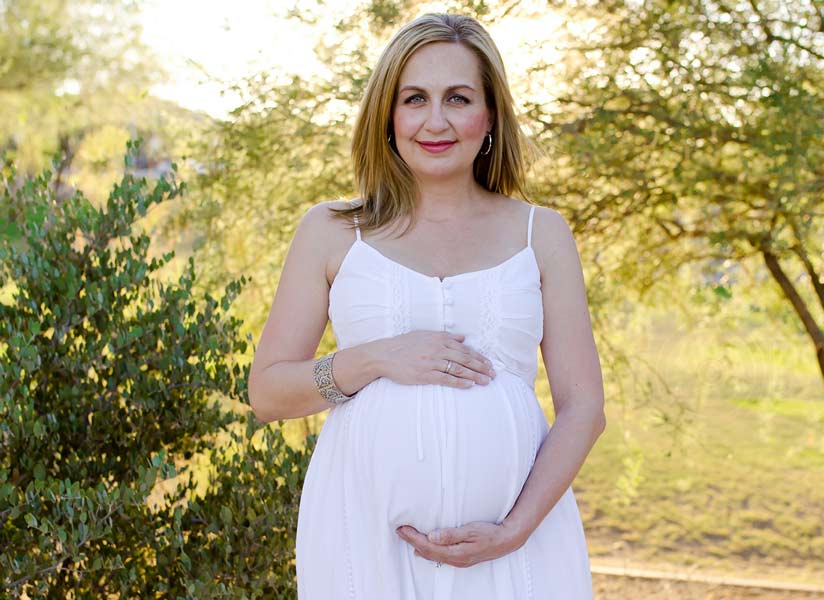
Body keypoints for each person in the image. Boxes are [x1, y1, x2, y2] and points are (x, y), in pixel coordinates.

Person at [248, 12, 606, 600]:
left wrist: (512, 532)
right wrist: (376, 358)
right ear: (388, 115)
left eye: (458, 98)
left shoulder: (542, 234)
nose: (435, 121)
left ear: (489, 116)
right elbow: (268, 392)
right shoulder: (332, 232)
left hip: (518, 550)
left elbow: (584, 407)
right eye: (414, 98)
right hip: (364, 542)